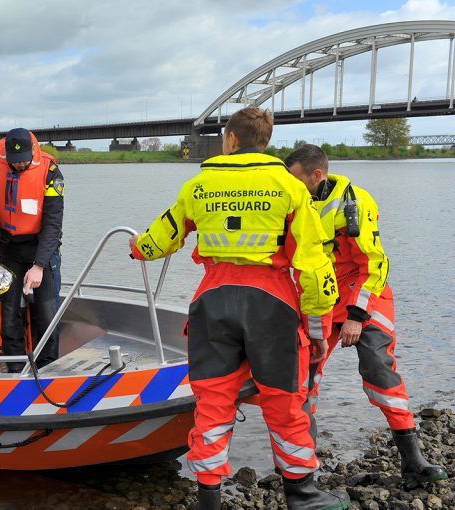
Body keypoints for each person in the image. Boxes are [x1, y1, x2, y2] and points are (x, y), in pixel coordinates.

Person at [129, 107, 347, 510]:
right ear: (265, 142)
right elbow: (315, 269)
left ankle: (209, 497)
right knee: (285, 402)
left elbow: (161, 238)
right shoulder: (291, 188)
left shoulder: (198, 185)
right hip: (273, 305)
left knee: (212, 402)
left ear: (229, 140)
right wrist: (318, 331)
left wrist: (138, 246)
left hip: (213, 301)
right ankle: (302, 494)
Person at [284, 144, 448, 484]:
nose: (291, 186)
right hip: (320, 297)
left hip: (364, 294)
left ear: (317, 175)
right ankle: (301, 468)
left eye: (297, 180)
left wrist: (357, 315)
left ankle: (413, 461)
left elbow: (373, 264)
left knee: (379, 370)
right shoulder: (293, 200)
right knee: (303, 377)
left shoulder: (355, 202)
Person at [0, 128, 64, 373]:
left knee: (46, 313)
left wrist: (39, 265)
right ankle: (14, 368)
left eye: (25, 158)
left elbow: (53, 222)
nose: (21, 164)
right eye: (15, 161)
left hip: (41, 247)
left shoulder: (50, 170)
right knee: (9, 312)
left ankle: (47, 367)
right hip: (8, 248)